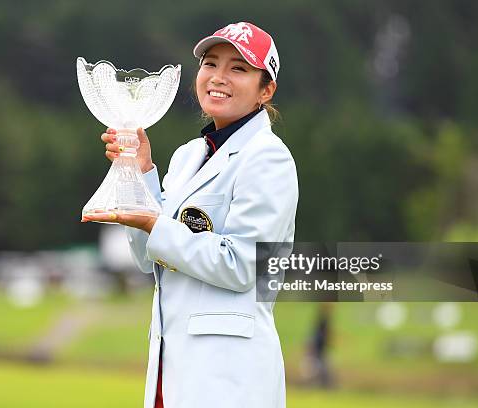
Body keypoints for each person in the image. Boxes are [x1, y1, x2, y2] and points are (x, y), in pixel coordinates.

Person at [83, 21, 298, 408]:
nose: (218, 77)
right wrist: (142, 174)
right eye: (210, 64)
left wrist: (153, 223)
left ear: (266, 90)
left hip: (230, 380)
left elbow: (241, 265)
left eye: (238, 68)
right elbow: (150, 260)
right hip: (172, 375)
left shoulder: (268, 157)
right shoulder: (187, 156)